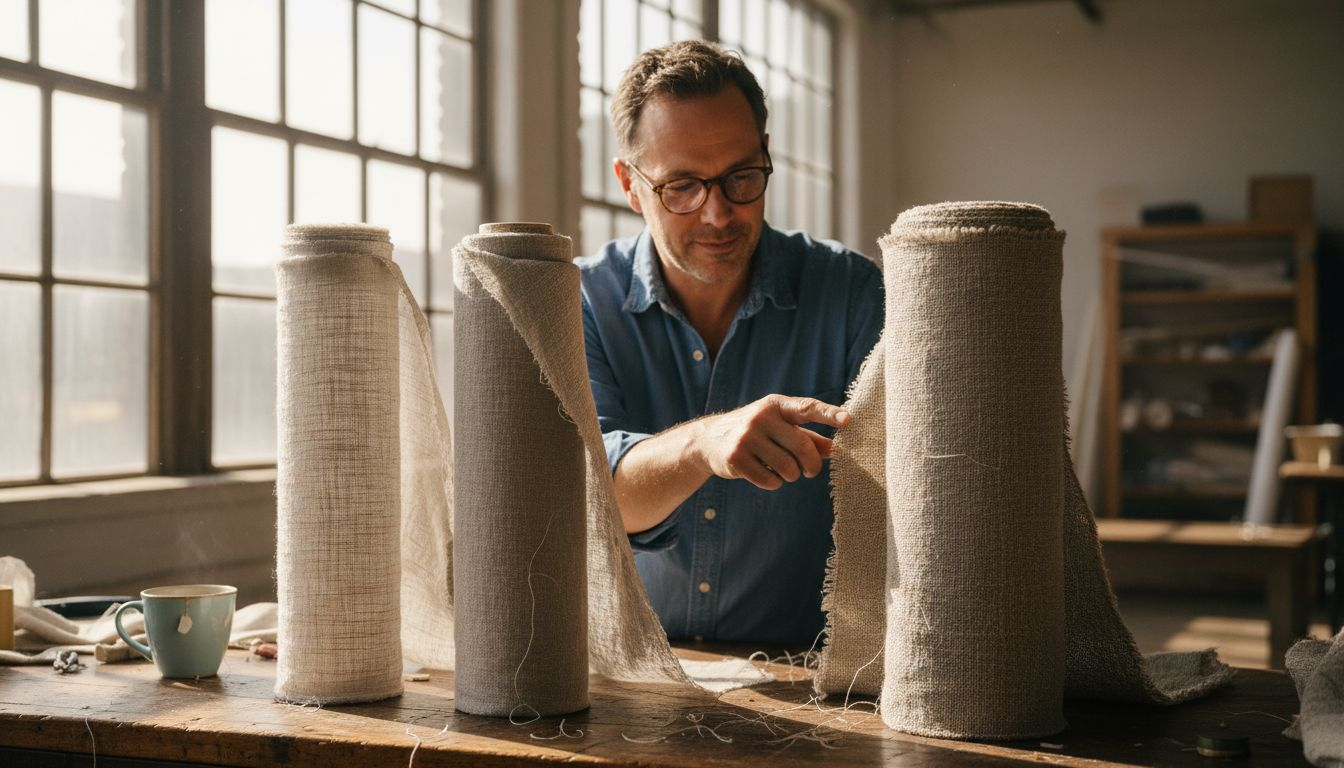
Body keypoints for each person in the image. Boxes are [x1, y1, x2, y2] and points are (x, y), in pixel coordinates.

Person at [578, 40, 883, 647]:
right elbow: (590, 495)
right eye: (682, 187)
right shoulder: (582, 301)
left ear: (767, 158)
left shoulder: (851, 294)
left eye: (741, 177)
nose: (718, 214)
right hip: (628, 679)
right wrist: (705, 443)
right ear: (629, 185)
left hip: (810, 680)